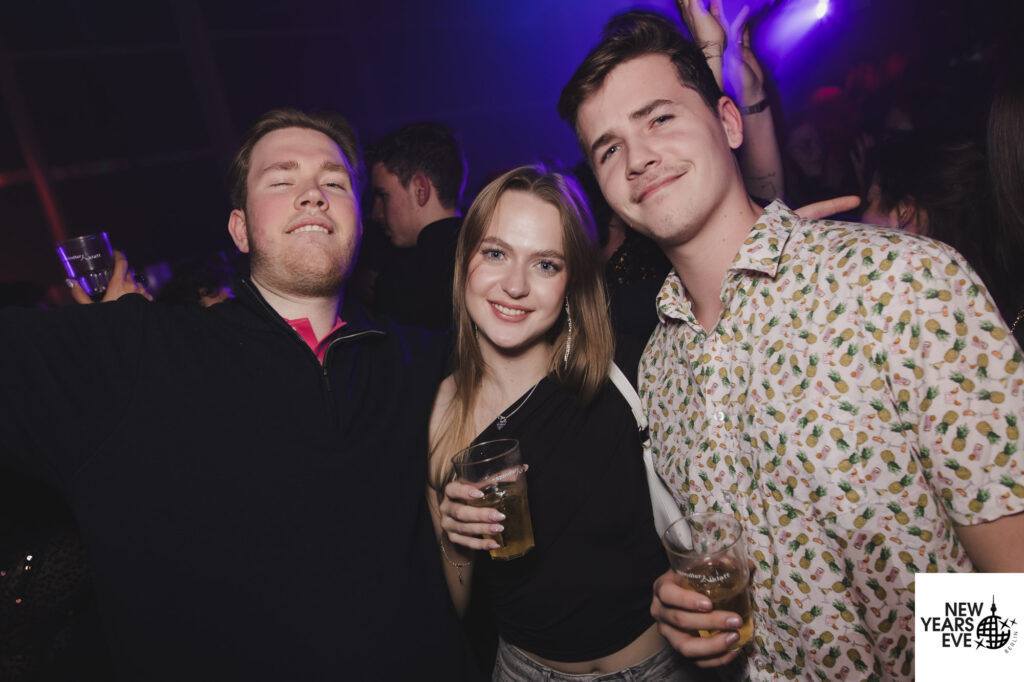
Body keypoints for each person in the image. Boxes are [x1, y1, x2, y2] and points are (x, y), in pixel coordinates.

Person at [558, 10, 1024, 680]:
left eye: (659, 118)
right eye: (608, 149)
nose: (638, 159)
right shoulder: (658, 370)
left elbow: (1010, 577)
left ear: (729, 123)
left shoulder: (902, 284)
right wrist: (688, 614)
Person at [0, 108, 474, 680]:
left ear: (357, 217)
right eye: (281, 180)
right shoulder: (137, 354)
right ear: (240, 229)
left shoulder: (424, 362)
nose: (313, 194)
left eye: (334, 182)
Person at [431, 165, 709, 681]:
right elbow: (456, 608)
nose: (515, 285)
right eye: (496, 253)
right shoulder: (439, 413)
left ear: (572, 280)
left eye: (545, 264)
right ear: (465, 258)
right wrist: (455, 539)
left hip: (662, 666)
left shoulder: (628, 367)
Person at [367, 121, 467, 329]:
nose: (376, 213)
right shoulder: (490, 260)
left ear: (421, 190)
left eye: (383, 195)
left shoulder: (399, 283)